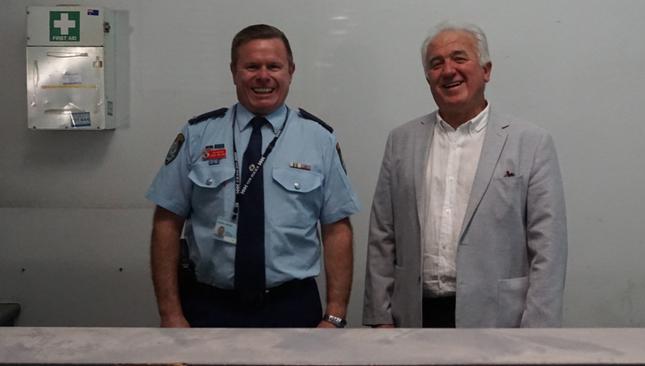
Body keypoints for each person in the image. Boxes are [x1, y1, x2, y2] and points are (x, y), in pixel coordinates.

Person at [147, 24, 360, 328]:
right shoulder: (198, 134)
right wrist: (170, 313)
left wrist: (335, 315)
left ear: (291, 71)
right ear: (234, 72)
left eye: (274, 66)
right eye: (251, 66)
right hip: (209, 307)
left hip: (292, 307)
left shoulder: (319, 139)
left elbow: (337, 229)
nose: (263, 76)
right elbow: (166, 222)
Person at [362, 21, 567, 328]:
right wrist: (380, 318)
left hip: (502, 321)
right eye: (436, 64)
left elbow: (548, 247)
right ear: (428, 77)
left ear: (486, 70)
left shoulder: (531, 142)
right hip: (414, 317)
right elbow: (382, 235)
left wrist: (536, 331)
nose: (448, 70)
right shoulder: (401, 141)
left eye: (459, 58)